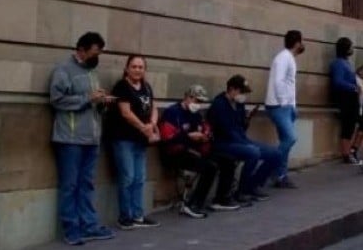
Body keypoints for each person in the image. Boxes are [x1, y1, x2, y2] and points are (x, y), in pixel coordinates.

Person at [49, 32, 116, 245]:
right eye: (95, 52)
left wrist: (102, 101)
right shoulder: (63, 71)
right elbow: (57, 100)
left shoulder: (92, 73)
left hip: (92, 137)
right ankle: (71, 229)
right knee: (70, 185)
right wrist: (88, 98)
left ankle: (90, 225)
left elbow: (92, 103)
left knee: (86, 184)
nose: (97, 56)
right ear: (82, 50)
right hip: (70, 138)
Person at [157, 85, 241, 217]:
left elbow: (205, 127)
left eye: (200, 102)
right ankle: (194, 204)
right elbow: (167, 137)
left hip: (195, 149)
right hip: (176, 152)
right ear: (188, 97)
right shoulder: (173, 113)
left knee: (228, 160)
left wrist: (205, 135)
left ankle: (221, 199)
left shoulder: (195, 114)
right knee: (210, 167)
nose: (198, 105)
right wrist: (189, 136)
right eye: (196, 101)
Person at [208, 75, 282, 203]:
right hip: (223, 143)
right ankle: (241, 191)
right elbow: (226, 130)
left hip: (241, 140)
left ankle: (252, 186)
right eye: (241, 92)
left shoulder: (239, 104)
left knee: (276, 154)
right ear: (232, 89)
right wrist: (245, 144)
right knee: (253, 152)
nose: (243, 95)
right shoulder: (219, 104)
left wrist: (247, 119)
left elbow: (241, 127)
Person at [109, 55, 160, 230]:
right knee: (128, 177)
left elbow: (154, 108)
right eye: (134, 66)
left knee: (140, 178)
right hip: (124, 138)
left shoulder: (146, 86)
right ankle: (125, 217)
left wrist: (152, 125)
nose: (137, 70)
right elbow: (125, 112)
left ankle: (138, 215)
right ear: (127, 68)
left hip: (140, 140)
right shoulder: (122, 86)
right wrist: (143, 127)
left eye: (141, 67)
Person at [265, 29, 303, 189]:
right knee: (290, 139)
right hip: (279, 106)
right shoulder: (283, 58)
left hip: (286, 106)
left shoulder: (289, 58)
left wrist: (292, 105)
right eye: (301, 41)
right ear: (297, 43)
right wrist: (284, 102)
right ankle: (272, 168)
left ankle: (281, 176)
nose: (302, 44)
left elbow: (289, 84)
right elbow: (279, 82)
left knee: (285, 141)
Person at [329, 37, 363, 166]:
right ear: (345, 49)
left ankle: (353, 150)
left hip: (352, 99)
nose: (352, 49)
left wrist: (356, 76)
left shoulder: (346, 63)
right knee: (348, 127)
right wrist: (353, 87)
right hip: (345, 99)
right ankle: (346, 154)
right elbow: (337, 82)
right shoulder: (338, 63)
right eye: (350, 47)